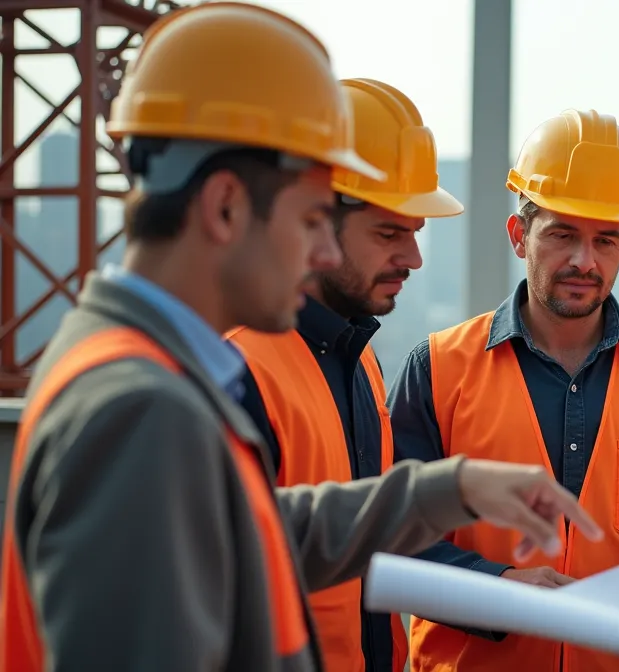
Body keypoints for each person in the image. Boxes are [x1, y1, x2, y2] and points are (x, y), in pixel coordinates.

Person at [0, 5, 600, 671]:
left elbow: (254, 530)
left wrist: (449, 487)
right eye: (313, 218)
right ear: (225, 206)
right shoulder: (143, 412)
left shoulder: (141, 372)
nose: (320, 253)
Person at [387, 108, 619, 672]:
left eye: (605, 240)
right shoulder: (439, 367)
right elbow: (393, 535)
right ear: (519, 235)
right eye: (562, 234)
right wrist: (497, 590)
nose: (583, 261)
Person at [227, 77, 464, 672]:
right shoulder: (236, 366)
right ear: (314, 221)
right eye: (389, 233)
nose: (412, 259)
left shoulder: (362, 360)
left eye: (414, 234)